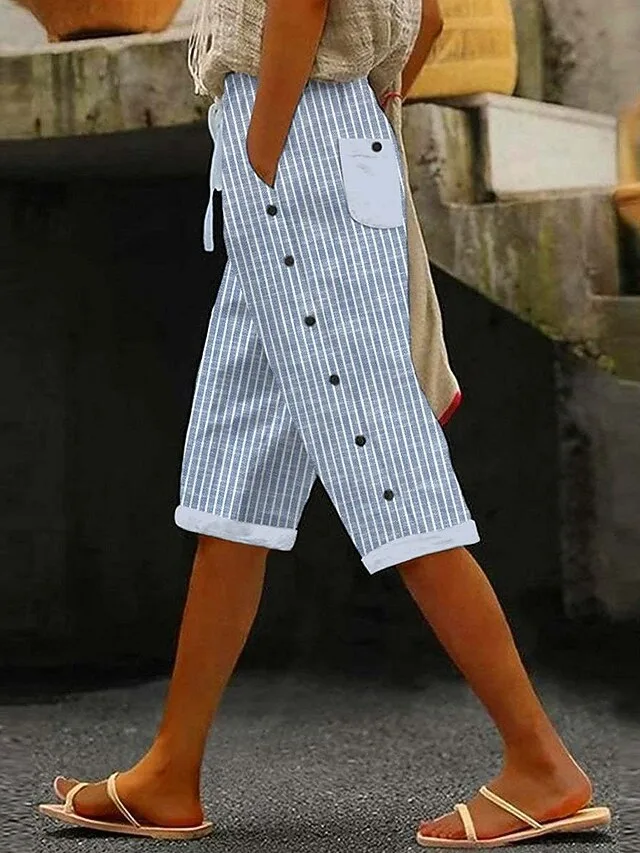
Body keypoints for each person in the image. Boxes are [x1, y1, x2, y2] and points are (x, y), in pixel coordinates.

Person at [38, 0, 611, 846]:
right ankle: (168, 772)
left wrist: (265, 148)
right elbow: (431, 17)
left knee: (390, 470)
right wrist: (348, 119)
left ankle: (542, 764)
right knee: (233, 478)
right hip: (319, 150)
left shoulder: (278, 139)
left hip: (294, 166)